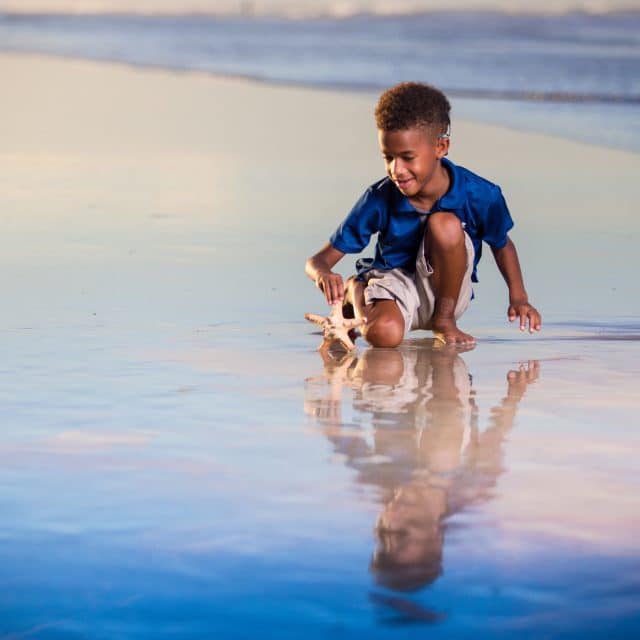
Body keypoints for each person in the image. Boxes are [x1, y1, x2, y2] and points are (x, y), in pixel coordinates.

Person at [305, 82, 542, 346]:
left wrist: (518, 297)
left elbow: (502, 244)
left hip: (448, 292)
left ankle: (445, 320)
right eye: (388, 157)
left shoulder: (480, 195)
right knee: (384, 336)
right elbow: (317, 261)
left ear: (441, 147)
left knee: (445, 223)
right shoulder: (379, 197)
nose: (397, 170)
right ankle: (356, 289)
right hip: (394, 285)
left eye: (407, 157)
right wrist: (323, 275)